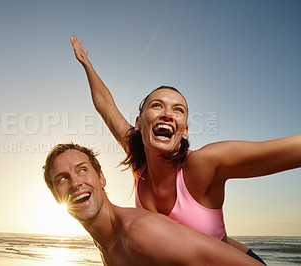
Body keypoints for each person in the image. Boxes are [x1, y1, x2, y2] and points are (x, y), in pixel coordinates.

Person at [70, 34, 301, 264]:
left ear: (185, 130)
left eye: (178, 110)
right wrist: (87, 64)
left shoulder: (204, 164)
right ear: (139, 123)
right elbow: (106, 107)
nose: (168, 114)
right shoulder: (138, 157)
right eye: (157, 105)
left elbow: (288, 151)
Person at [43, 143, 263, 266]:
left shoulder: (139, 233)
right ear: (56, 197)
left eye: (82, 170)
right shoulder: (106, 242)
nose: (75, 183)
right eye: (62, 179)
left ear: (101, 178)